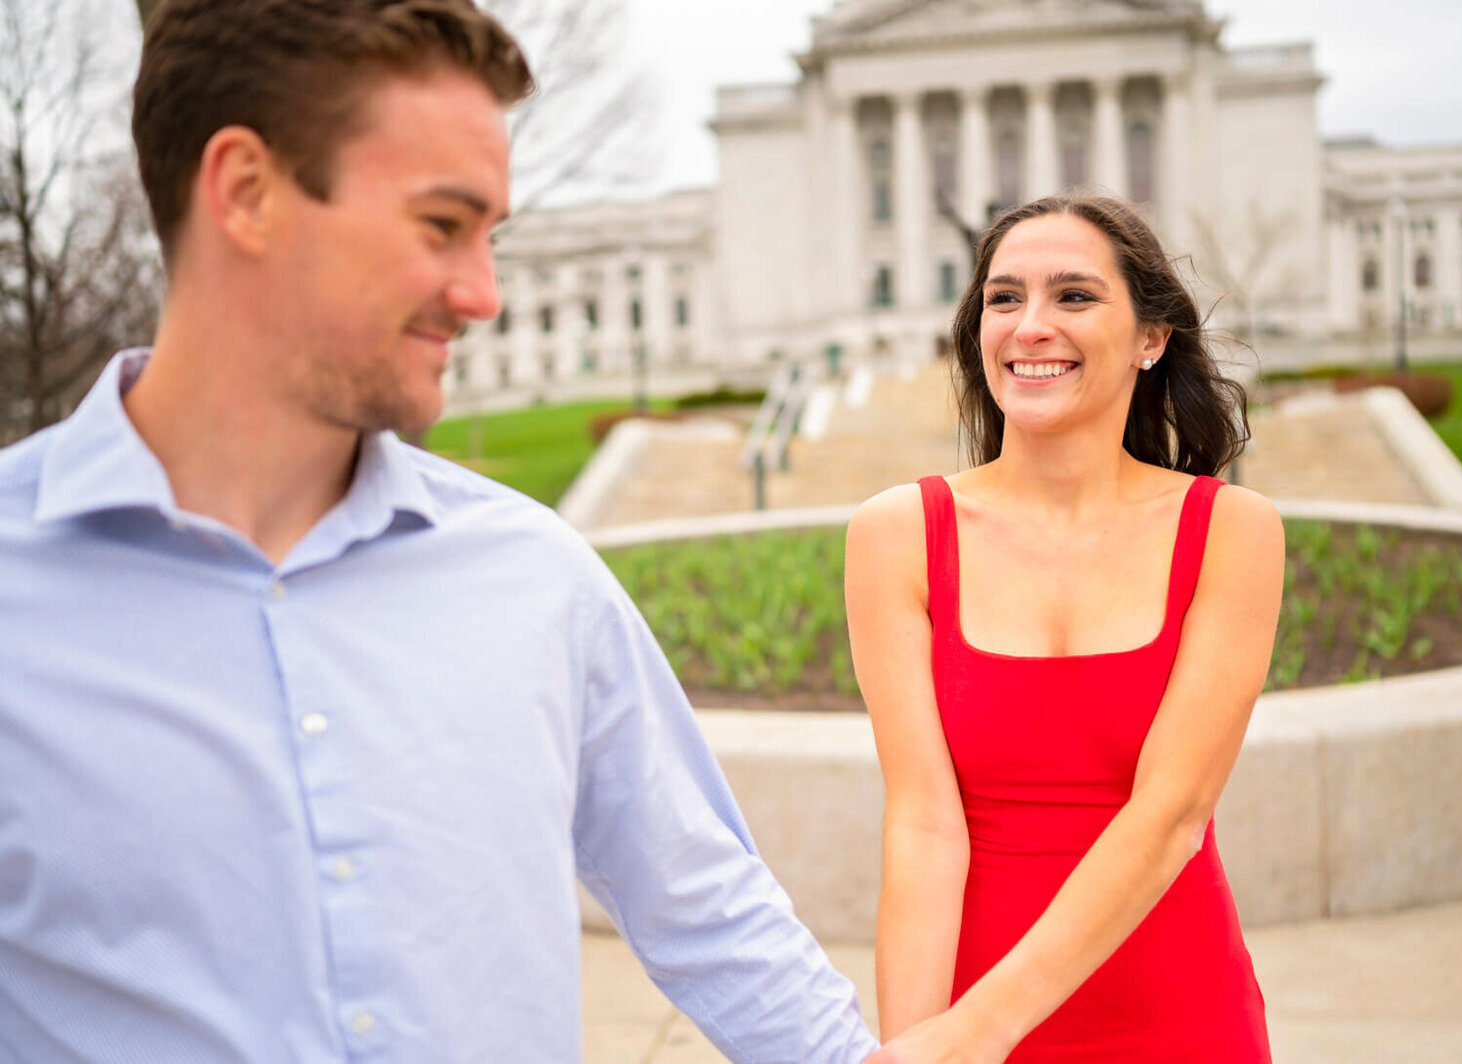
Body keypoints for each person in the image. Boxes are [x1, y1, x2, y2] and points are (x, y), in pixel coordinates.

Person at [0, 2, 877, 1061]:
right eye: (441, 226)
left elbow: (712, 909)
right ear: (245, 191)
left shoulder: (539, 578)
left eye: (490, 238)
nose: (484, 295)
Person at [844, 193, 1284, 1063]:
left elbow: (1171, 816)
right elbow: (925, 823)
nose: (1030, 326)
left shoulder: (1231, 531)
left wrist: (975, 1032)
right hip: (966, 1018)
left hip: (1178, 1013)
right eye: (1004, 299)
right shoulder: (897, 533)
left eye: (1074, 297)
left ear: (1151, 339)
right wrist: (918, 1044)